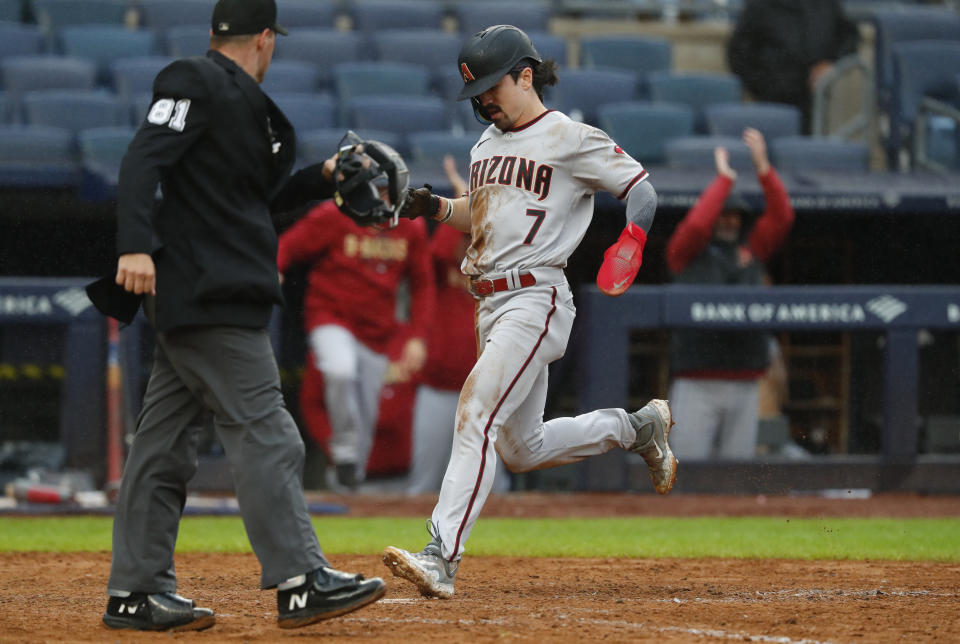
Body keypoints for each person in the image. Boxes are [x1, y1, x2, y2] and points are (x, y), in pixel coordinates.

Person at [96, 0, 385, 631]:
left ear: (214, 31)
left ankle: (135, 592)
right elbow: (143, 158)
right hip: (210, 293)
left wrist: (326, 176)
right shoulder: (192, 79)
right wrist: (134, 244)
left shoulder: (242, 106)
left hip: (205, 292)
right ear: (264, 39)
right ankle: (300, 579)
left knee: (162, 445)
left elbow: (252, 199)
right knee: (267, 431)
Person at [380, 24, 677, 599]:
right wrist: (439, 207)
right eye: (477, 94)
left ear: (526, 75)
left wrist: (633, 239)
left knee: (475, 412)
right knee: (521, 447)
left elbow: (641, 188)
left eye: (493, 86)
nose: (485, 101)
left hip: (535, 297)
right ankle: (637, 427)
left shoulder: (568, 136)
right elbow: (491, 214)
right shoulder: (484, 147)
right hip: (488, 302)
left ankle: (441, 553)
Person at [277, 181, 435, 492]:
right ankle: (345, 453)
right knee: (339, 369)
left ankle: (349, 486)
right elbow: (288, 246)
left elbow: (422, 284)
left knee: (365, 417)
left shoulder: (409, 229)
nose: (387, 200)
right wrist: (276, 268)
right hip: (330, 317)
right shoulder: (335, 216)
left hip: (378, 333)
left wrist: (417, 337)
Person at [664, 128, 795, 460]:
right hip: (697, 381)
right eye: (724, 213)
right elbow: (695, 227)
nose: (731, 221)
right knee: (687, 475)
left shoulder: (752, 249)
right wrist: (723, 181)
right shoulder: (687, 253)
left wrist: (763, 167)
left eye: (737, 215)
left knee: (736, 482)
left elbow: (782, 216)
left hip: (745, 379)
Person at [727, 0, 860, 133]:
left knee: (810, 147)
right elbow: (738, 51)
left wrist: (830, 63)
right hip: (771, 100)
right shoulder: (761, 5)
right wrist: (763, 85)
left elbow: (848, 35)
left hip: (812, 98)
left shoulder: (825, 4)